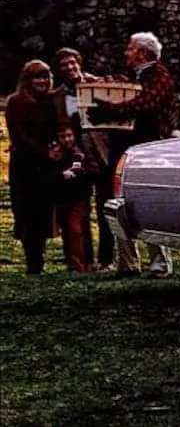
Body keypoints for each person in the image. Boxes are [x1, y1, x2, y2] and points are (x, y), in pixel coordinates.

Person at [88, 32, 179, 278]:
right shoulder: (136, 76)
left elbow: (144, 104)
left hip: (148, 147)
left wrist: (107, 110)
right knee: (118, 200)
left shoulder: (159, 76)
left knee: (146, 200)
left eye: (130, 48)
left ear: (142, 52)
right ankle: (127, 263)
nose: (126, 52)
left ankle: (160, 262)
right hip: (127, 144)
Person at [51, 47, 118, 271]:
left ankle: (107, 259)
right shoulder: (58, 95)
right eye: (64, 65)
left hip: (100, 153)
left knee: (104, 207)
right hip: (76, 158)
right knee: (80, 210)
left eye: (72, 63)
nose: (70, 68)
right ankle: (86, 260)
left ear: (79, 63)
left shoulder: (96, 84)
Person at [4, 60, 59, 274]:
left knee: (43, 213)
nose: (42, 82)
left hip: (45, 165)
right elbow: (18, 135)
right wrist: (43, 151)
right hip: (25, 165)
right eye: (37, 77)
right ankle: (32, 263)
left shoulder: (49, 102)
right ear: (28, 79)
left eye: (45, 77)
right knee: (27, 213)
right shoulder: (16, 102)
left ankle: (40, 259)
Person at [50, 122, 99, 273]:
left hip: (79, 196)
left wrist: (80, 171)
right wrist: (61, 175)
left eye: (69, 135)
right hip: (62, 197)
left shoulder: (80, 152)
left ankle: (82, 263)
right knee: (67, 231)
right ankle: (73, 262)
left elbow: (94, 169)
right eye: (63, 136)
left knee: (76, 230)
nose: (67, 139)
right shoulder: (54, 154)